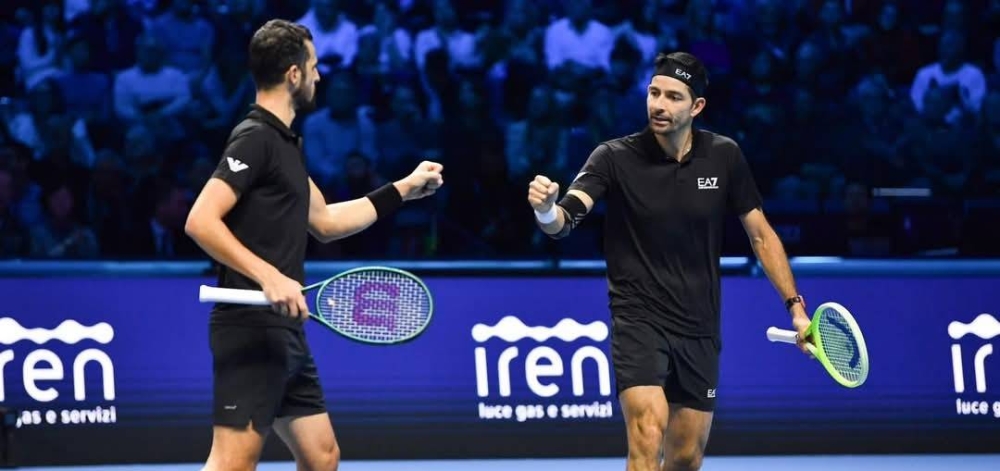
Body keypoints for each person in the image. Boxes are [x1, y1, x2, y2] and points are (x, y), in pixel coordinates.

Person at [526, 51, 812, 471]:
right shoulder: (612, 157)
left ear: (697, 106)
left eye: (674, 97)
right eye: (654, 93)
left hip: (699, 325)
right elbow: (565, 221)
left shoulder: (724, 156)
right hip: (638, 319)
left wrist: (796, 309)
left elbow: (761, 235)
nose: (659, 104)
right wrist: (546, 210)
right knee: (648, 431)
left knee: (686, 457)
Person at [185, 19, 443, 471]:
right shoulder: (255, 137)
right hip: (250, 327)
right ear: (293, 74)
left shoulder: (285, 144)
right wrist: (270, 277)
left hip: (284, 327)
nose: (319, 76)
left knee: (322, 457)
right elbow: (200, 220)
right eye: (314, 66)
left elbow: (325, 222)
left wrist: (402, 189)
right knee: (232, 463)